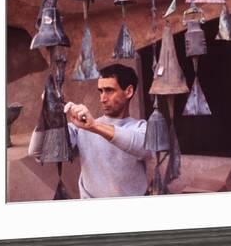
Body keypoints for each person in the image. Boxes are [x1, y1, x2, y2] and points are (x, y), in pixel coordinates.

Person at [28, 63, 152, 199]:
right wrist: (48, 112)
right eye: (101, 91)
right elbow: (37, 151)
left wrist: (94, 127)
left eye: (109, 90)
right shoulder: (82, 128)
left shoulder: (140, 128)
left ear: (128, 91)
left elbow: (141, 146)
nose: (103, 98)